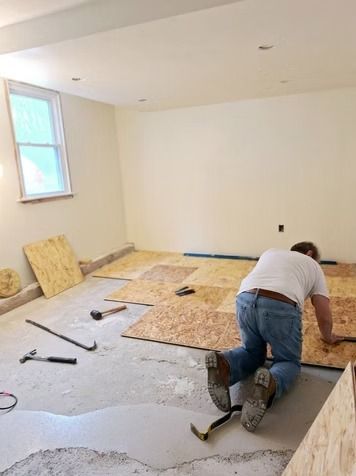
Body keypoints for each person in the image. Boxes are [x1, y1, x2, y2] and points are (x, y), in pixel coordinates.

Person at [205, 242, 343, 432]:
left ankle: (224, 363)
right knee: (289, 362)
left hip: (244, 299)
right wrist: (327, 336)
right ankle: (270, 383)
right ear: (310, 254)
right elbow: (323, 312)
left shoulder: (270, 252)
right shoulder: (313, 265)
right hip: (280, 306)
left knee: (253, 352)